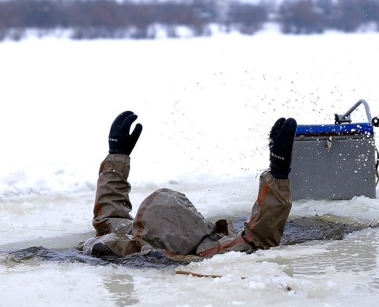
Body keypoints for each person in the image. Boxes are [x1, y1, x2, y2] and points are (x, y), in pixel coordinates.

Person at [78, 111, 297, 260]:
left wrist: (116, 155)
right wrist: (277, 173)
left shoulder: (130, 241)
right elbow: (257, 239)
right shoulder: (209, 251)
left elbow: (108, 217)